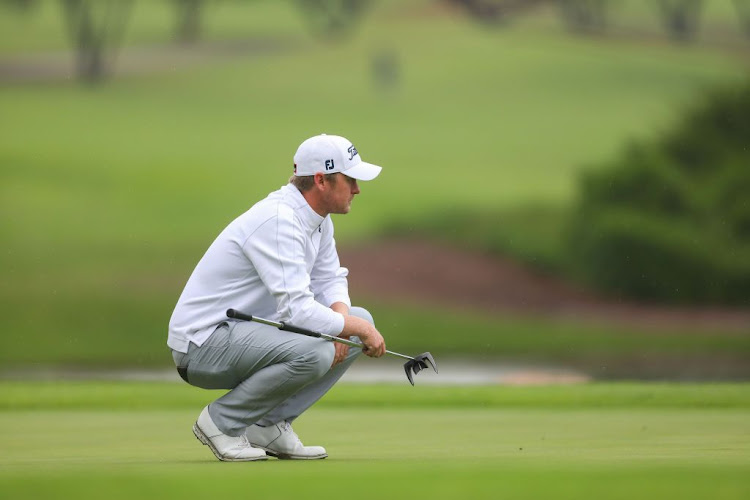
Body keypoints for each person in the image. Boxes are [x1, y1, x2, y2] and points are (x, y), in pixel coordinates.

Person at [168, 134, 386, 462]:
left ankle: (266, 425)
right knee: (318, 350)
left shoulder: (317, 220)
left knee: (358, 322)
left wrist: (346, 322)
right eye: (350, 179)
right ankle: (220, 422)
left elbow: (330, 280)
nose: (357, 188)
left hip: (241, 336)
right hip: (202, 345)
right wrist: (347, 326)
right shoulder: (280, 221)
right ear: (321, 181)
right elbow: (297, 311)